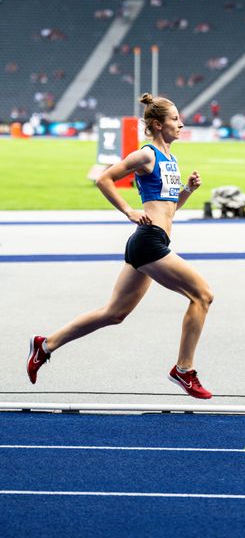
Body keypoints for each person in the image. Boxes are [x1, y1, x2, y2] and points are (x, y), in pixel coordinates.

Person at [27, 93, 213, 399]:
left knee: (114, 313)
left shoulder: (171, 160)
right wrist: (128, 210)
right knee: (203, 295)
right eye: (175, 118)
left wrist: (188, 191)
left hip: (152, 240)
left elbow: (168, 209)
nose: (181, 123)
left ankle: (45, 345)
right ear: (157, 124)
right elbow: (104, 179)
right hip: (149, 241)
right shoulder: (146, 155)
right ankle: (183, 370)